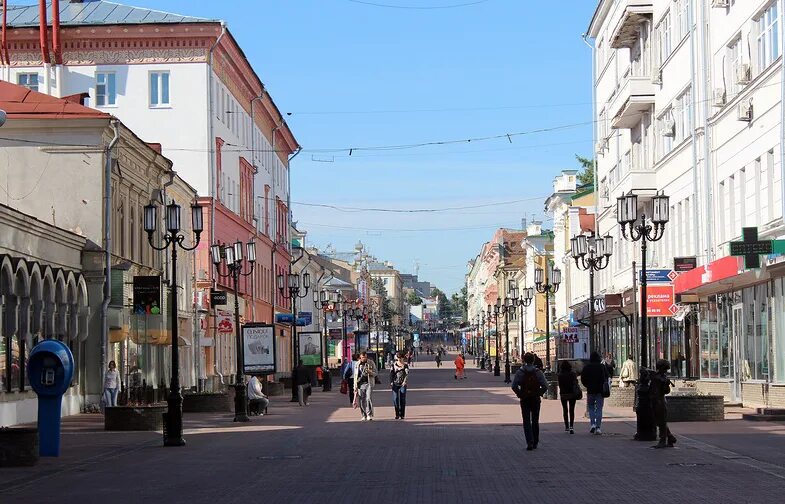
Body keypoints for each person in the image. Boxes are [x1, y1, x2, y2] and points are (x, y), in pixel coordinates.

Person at [511, 352, 548, 451]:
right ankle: (535, 441)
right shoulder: (538, 372)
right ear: (533, 360)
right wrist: (539, 393)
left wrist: (520, 394)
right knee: (535, 420)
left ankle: (529, 442)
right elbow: (545, 385)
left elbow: (514, 386)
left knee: (526, 421)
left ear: (524, 360)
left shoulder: (520, 372)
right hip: (535, 399)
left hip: (525, 399)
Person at [581, 351, 609, 435]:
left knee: (591, 407)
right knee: (599, 408)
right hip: (600, 390)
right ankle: (598, 427)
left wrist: (587, 385)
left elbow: (583, 379)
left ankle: (592, 424)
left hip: (590, 390)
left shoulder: (587, 367)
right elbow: (607, 377)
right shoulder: (602, 367)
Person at [651, 359, 677, 448]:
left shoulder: (661, 378)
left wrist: (666, 385)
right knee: (660, 421)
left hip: (659, 401)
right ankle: (670, 437)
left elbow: (665, 391)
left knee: (661, 422)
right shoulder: (657, 377)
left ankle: (663, 440)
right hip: (657, 400)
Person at [353, 351, 377, 421]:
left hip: (369, 383)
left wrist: (370, 372)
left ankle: (369, 414)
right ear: (360, 357)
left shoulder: (370, 362)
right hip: (360, 384)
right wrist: (354, 386)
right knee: (361, 400)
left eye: (366, 357)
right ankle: (363, 414)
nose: (364, 359)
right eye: (363, 357)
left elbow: (375, 373)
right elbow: (355, 375)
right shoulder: (357, 364)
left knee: (368, 398)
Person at [558, 360, 580, 434]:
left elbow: (560, 385)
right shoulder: (573, 374)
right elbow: (576, 382)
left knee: (565, 410)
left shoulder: (560, 375)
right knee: (571, 410)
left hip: (563, 394)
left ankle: (566, 426)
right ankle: (571, 426)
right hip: (572, 393)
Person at [390, 351, 409, 420]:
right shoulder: (393, 365)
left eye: (401, 358)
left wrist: (404, 381)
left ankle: (402, 414)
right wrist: (391, 382)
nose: (399, 360)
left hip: (402, 384)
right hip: (395, 383)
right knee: (395, 399)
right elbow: (391, 374)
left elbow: (407, 374)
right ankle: (397, 414)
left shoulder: (405, 365)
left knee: (402, 399)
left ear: (403, 358)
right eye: (398, 358)